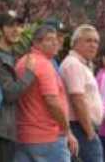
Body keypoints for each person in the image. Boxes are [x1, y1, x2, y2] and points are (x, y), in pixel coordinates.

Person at [14, 25, 77, 162]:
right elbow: (52, 102)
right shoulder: (44, 65)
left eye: (56, 39)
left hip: (24, 136)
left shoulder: (22, 61)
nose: (55, 42)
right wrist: (67, 130)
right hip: (47, 137)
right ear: (36, 43)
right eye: (49, 39)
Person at [0, 11, 35, 162]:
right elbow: (9, 94)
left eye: (19, 26)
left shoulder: (12, 55)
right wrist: (29, 74)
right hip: (1, 130)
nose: (16, 30)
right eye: (10, 26)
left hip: (11, 128)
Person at [60, 25, 104, 162]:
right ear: (75, 43)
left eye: (96, 41)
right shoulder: (73, 64)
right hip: (80, 127)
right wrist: (90, 132)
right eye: (88, 41)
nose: (93, 45)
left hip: (83, 127)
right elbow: (77, 99)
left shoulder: (82, 64)